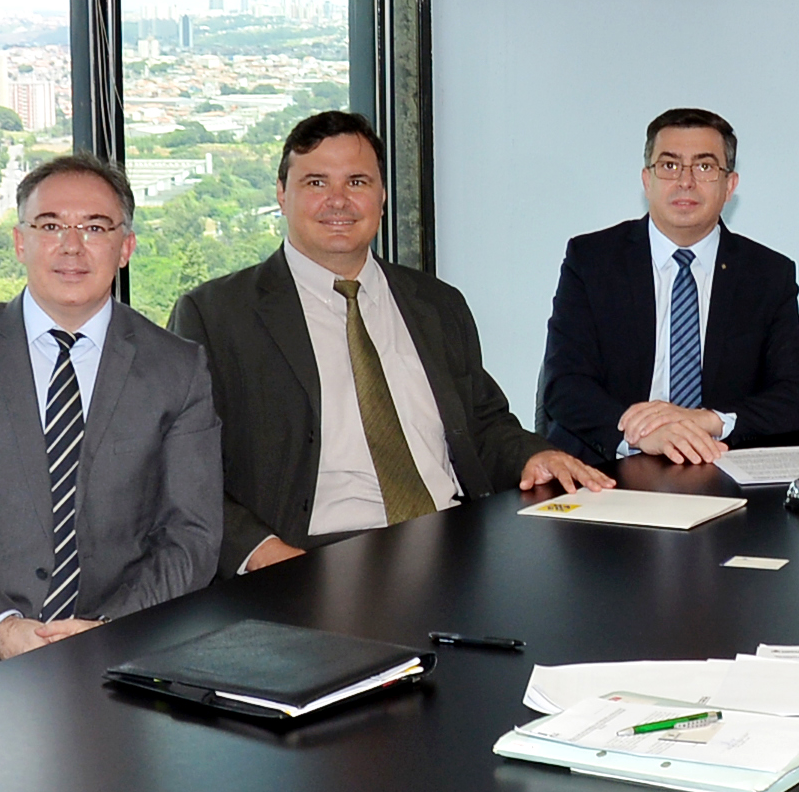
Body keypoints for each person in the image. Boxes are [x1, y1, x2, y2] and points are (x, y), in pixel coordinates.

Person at [169, 111, 607, 574]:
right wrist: (262, 553)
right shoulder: (216, 315)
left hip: (453, 543)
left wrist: (536, 455)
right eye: (316, 183)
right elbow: (186, 470)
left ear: (381, 197)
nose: (338, 201)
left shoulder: (436, 303)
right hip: (306, 558)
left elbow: (483, 424)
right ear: (281, 194)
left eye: (357, 182)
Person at [0, 154, 224, 680]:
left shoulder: (178, 367)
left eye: (94, 228)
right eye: (50, 226)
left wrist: (108, 627)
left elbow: (193, 534)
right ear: (19, 242)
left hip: (127, 633)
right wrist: (2, 629)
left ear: (126, 247)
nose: (71, 246)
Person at [539, 107, 799, 466]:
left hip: (718, 465)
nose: (685, 181)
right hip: (610, 465)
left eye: (704, 167)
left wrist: (709, 421)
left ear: (730, 185)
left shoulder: (766, 274)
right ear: (647, 180)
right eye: (669, 165)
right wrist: (641, 434)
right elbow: (564, 385)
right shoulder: (592, 260)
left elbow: (798, 396)